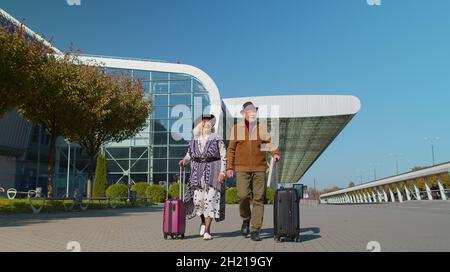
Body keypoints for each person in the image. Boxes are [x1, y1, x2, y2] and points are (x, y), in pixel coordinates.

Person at [226, 102, 280, 241]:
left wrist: (275, 153)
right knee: (243, 195)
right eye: (248, 111)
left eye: (253, 111)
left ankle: (255, 229)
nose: (251, 113)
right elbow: (231, 149)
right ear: (244, 113)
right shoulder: (237, 129)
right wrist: (229, 167)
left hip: (259, 168)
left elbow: (268, 143)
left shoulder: (261, 127)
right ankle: (245, 219)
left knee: (258, 198)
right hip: (242, 168)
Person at [179, 114, 227, 240]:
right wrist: (184, 161)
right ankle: (203, 222)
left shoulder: (217, 138)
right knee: (198, 202)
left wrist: (222, 173)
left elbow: (223, 156)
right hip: (197, 173)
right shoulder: (194, 139)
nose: (206, 123)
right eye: (204, 121)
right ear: (200, 124)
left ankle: (207, 230)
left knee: (210, 202)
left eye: (209, 121)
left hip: (213, 172)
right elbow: (189, 154)